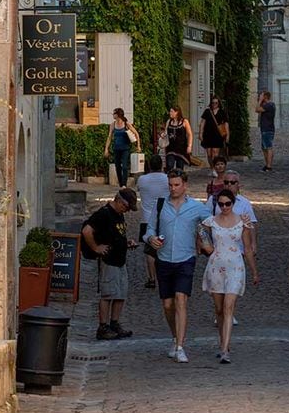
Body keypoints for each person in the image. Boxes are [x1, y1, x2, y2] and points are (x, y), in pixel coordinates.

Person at [143, 168, 209, 363]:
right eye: (170, 185)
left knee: (181, 299)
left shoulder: (196, 207)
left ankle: (180, 346)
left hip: (186, 259)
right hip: (163, 259)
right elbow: (149, 229)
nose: (173, 188)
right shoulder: (161, 204)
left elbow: (212, 222)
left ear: (185, 185)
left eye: (176, 185)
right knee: (167, 304)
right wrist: (151, 238)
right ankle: (174, 337)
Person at [201, 188, 259, 363]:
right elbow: (201, 235)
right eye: (221, 204)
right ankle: (222, 342)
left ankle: (225, 349)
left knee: (228, 307)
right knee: (219, 309)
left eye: (227, 203)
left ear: (233, 203)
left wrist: (254, 271)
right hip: (216, 266)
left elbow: (248, 249)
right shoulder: (211, 221)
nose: (224, 207)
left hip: (235, 267)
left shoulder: (243, 222)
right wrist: (204, 244)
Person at [81, 187, 139, 339]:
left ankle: (115, 323)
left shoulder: (119, 214)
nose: (127, 211)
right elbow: (86, 231)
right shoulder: (104, 214)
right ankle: (103, 327)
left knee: (120, 294)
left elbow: (116, 235)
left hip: (120, 260)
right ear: (119, 201)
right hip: (109, 261)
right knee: (107, 294)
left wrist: (126, 243)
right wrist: (96, 247)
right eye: (126, 207)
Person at [206, 169, 258, 254]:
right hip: (217, 250)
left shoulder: (244, 203)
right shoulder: (213, 200)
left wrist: (253, 244)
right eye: (226, 182)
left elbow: (251, 223)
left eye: (232, 182)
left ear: (238, 185)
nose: (229, 185)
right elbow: (204, 221)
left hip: (239, 249)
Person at [137, 154, 169, 288]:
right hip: (164, 217)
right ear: (161, 165)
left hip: (147, 217)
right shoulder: (167, 179)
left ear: (149, 165)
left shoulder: (142, 179)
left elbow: (138, 190)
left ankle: (151, 278)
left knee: (150, 250)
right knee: (165, 247)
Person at [104, 108, 140, 187]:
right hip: (116, 148)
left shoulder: (126, 124)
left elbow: (136, 134)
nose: (113, 115)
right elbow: (109, 137)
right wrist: (106, 149)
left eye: (114, 113)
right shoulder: (113, 124)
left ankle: (124, 184)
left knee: (124, 166)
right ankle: (121, 184)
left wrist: (138, 146)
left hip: (125, 148)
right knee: (117, 167)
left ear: (118, 114)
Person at [199, 95, 229, 166]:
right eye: (213, 103)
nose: (214, 104)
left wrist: (227, 135)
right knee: (209, 154)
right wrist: (200, 133)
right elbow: (202, 122)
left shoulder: (222, 112)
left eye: (216, 103)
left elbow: (226, 124)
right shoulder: (207, 111)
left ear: (219, 103)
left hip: (217, 135)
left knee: (215, 152)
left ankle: (215, 168)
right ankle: (212, 168)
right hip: (208, 134)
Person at [164, 105, 193, 172]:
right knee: (169, 165)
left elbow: (189, 134)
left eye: (171, 111)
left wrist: (189, 146)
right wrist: (163, 135)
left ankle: (179, 180)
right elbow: (166, 132)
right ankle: (169, 179)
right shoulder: (169, 122)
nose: (170, 113)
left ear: (176, 112)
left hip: (181, 148)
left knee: (179, 167)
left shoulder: (184, 121)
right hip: (171, 147)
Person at [255, 90, 276, 171]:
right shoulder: (270, 105)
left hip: (267, 129)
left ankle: (269, 166)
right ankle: (267, 164)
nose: (259, 97)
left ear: (265, 97)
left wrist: (260, 101)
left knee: (268, 147)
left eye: (261, 95)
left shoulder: (268, 105)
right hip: (266, 128)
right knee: (264, 147)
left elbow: (257, 109)